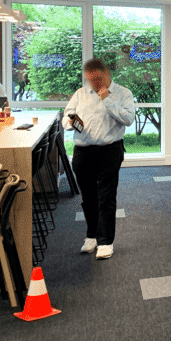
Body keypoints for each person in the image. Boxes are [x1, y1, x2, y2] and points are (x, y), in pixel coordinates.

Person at [63, 58, 134, 260]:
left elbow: (128, 119)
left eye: (97, 79)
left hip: (109, 150)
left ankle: (105, 241)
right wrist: (75, 123)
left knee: (106, 197)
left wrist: (107, 100)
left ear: (106, 74)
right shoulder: (80, 94)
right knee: (88, 198)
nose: (94, 84)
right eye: (90, 80)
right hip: (83, 151)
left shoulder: (123, 93)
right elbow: (67, 116)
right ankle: (91, 235)